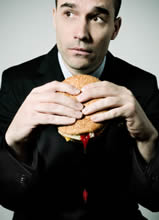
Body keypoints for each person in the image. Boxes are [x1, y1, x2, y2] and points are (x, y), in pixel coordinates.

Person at [0, 0, 159, 219]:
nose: (81, 34)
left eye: (97, 18)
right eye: (69, 14)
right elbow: (6, 198)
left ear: (115, 28)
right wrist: (14, 142)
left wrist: (148, 139)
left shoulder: (143, 85)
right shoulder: (15, 82)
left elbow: (155, 201)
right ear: (54, 18)